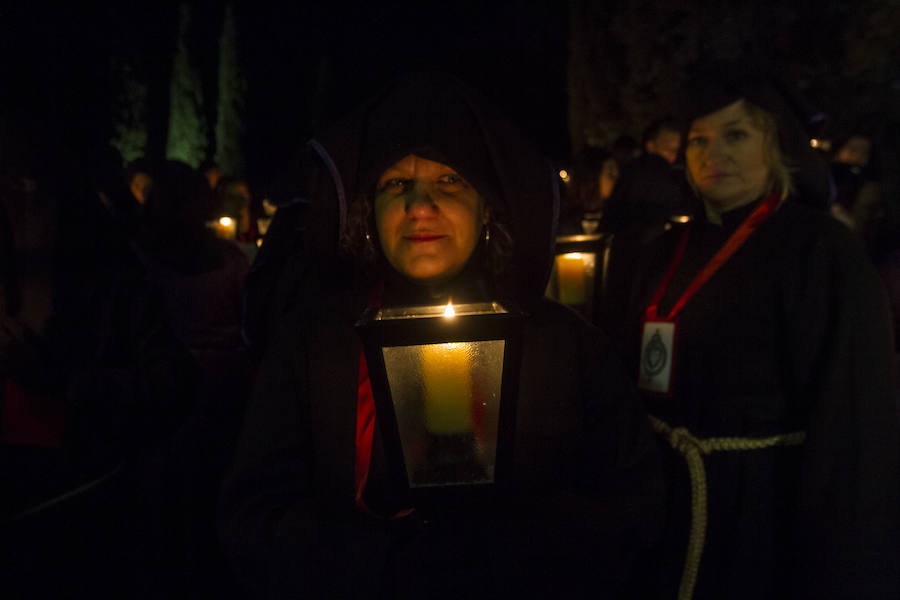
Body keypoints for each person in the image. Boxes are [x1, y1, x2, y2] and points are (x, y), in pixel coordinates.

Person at [218, 72, 663, 599]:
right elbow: (253, 516)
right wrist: (382, 561)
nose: (419, 207)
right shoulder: (316, 345)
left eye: (449, 182)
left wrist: (509, 555)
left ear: (488, 210)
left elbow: (635, 504)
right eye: (396, 185)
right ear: (368, 214)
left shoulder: (566, 345)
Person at [614, 63, 899, 599]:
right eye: (699, 138)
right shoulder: (660, 253)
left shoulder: (820, 252)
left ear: (777, 146)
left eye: (736, 134)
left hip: (763, 519)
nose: (711, 151)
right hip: (666, 509)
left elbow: (852, 419)